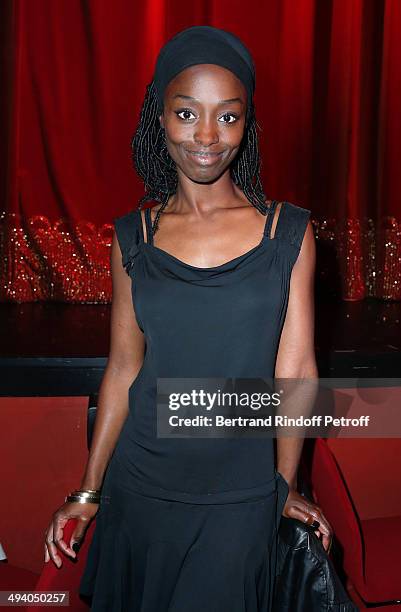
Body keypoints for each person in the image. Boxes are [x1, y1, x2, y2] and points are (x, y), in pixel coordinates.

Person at [44, 25, 333, 611]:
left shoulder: (289, 233)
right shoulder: (134, 237)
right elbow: (125, 368)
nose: (207, 136)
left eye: (228, 117)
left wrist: (285, 485)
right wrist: (88, 488)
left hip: (241, 494)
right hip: (142, 488)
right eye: (186, 113)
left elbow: (296, 368)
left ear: (247, 124)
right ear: (160, 117)